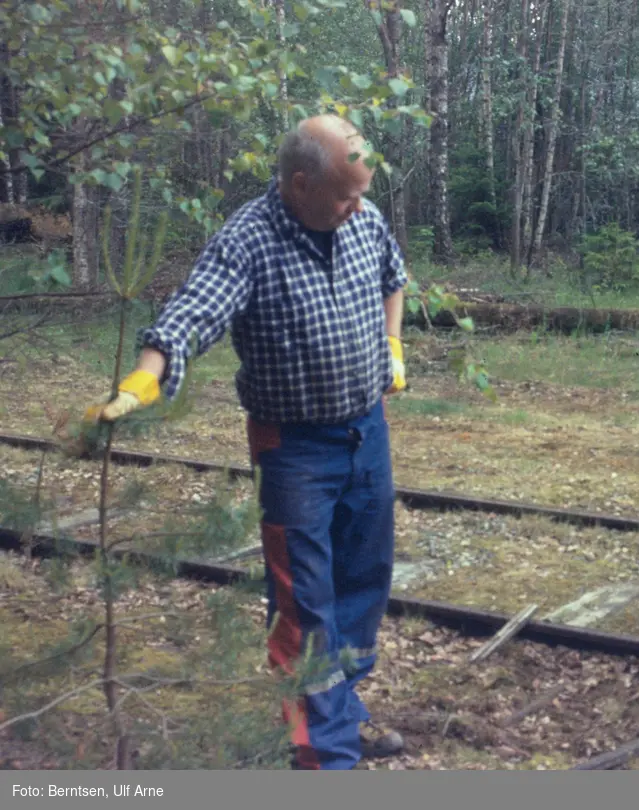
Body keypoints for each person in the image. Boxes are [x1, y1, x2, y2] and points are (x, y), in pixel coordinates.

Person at [85, 114, 410, 769]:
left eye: (362, 193)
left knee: (362, 586)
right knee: (307, 610)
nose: (358, 208)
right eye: (345, 196)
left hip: (366, 434)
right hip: (293, 451)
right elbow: (189, 315)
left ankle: (337, 715)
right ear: (298, 185)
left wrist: (392, 343)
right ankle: (326, 761)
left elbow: (392, 276)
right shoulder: (248, 242)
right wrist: (144, 380)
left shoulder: (363, 219)